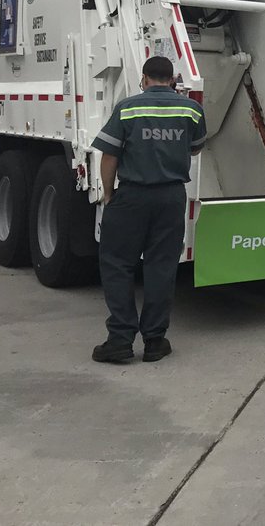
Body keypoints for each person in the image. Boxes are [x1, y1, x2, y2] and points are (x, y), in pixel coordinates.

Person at [89, 56, 206, 363]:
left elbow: (109, 155)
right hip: (170, 197)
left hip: (131, 197)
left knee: (117, 263)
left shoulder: (128, 108)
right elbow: (196, 146)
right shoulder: (191, 110)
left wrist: (109, 193)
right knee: (161, 266)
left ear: (144, 78)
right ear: (172, 79)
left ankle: (120, 339)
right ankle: (155, 341)